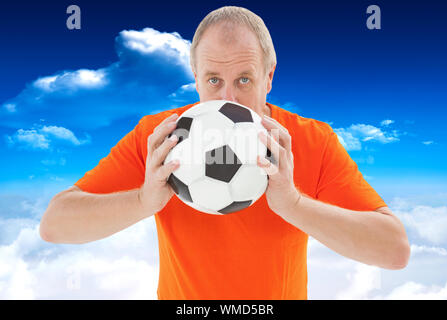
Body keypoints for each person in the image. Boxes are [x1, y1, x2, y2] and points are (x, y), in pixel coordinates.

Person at [40, 6, 410, 299]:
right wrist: (143, 199)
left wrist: (293, 205)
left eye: (244, 80)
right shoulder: (160, 137)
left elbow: (394, 251)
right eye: (214, 80)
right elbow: (55, 225)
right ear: (195, 76)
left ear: (269, 76)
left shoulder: (310, 140)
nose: (227, 100)